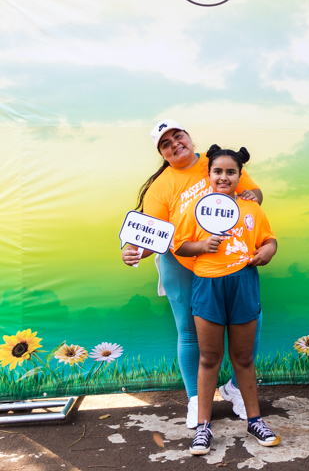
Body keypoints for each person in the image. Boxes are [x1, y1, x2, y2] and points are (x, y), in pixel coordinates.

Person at [121, 120, 263, 428]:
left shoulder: (216, 161)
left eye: (178, 136)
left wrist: (252, 199)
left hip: (231, 260)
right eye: (166, 143)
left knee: (250, 325)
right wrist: (134, 252)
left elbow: (254, 195)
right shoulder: (160, 187)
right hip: (181, 263)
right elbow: (153, 237)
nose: (175, 144)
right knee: (188, 331)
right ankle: (197, 399)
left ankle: (236, 389)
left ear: (188, 136)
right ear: (162, 153)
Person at [174, 145, 280, 455]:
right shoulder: (195, 208)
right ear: (208, 175)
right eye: (217, 171)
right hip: (207, 286)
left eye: (230, 172)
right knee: (209, 358)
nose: (223, 177)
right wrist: (202, 246)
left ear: (239, 176)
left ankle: (255, 420)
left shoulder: (251, 209)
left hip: (243, 284)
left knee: (243, 358)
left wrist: (269, 250)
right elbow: (180, 245)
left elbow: (269, 239)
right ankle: (203, 427)